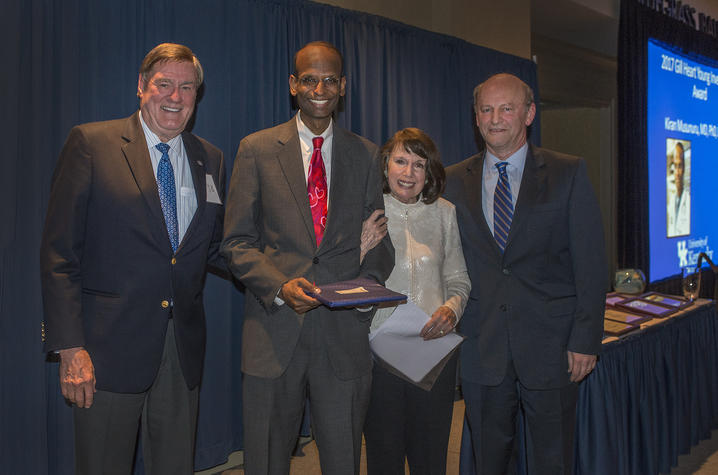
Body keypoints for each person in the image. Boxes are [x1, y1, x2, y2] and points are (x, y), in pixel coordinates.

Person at [40, 43, 226, 474]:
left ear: (197, 96)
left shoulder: (209, 158)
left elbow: (216, 247)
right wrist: (70, 348)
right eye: (164, 84)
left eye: (187, 87)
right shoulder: (91, 143)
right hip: (105, 354)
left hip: (181, 353)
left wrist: (283, 271)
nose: (175, 97)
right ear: (141, 87)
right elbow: (58, 254)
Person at [220, 41, 394, 475]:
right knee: (265, 461)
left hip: (343, 338)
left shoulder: (367, 155)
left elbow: (382, 244)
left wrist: (364, 292)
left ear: (343, 87)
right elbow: (236, 242)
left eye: (330, 79)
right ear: (294, 85)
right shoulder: (256, 150)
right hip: (273, 332)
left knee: (342, 462)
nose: (320, 87)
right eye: (310, 79)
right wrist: (279, 286)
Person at [444, 73, 607, 474]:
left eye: (507, 108)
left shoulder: (569, 173)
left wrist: (586, 339)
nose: (495, 118)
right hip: (482, 348)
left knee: (552, 460)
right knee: (489, 461)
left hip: (552, 349)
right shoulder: (451, 181)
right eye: (486, 109)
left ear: (529, 113)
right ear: (475, 117)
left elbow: (590, 264)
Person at [361, 128, 471, 474]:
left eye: (418, 164)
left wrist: (452, 309)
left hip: (432, 354)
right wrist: (360, 248)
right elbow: (344, 285)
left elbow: (459, 280)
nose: (408, 173)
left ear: (429, 173)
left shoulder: (445, 213)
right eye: (401, 161)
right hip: (379, 357)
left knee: (431, 459)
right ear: (385, 166)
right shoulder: (365, 213)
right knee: (384, 458)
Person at [667, 141, 690, 237]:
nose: (677, 173)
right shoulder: (672, 202)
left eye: (680, 166)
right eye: (675, 166)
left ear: (684, 169)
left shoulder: (689, 200)